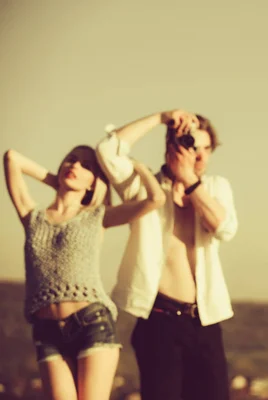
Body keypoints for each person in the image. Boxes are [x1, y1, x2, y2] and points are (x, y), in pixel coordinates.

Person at [95, 109, 238, 400]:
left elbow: (224, 228)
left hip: (205, 321)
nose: (199, 157)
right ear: (171, 146)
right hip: (159, 320)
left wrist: (189, 180)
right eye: (191, 146)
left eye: (205, 149)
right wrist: (161, 117)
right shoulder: (145, 188)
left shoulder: (215, 187)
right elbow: (107, 150)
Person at [3, 145, 165, 400]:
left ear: (94, 183)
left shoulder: (98, 216)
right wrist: (58, 181)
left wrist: (139, 168)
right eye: (71, 160)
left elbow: (156, 200)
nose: (75, 166)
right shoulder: (32, 216)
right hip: (47, 331)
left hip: (91, 324)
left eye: (86, 166)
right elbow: (12, 158)